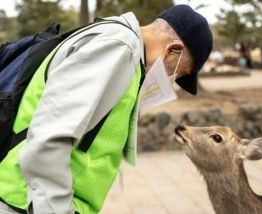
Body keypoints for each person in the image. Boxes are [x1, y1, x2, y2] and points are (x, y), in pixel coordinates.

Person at [0, 5, 212, 214]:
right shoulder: (118, 47)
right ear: (173, 50)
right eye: (180, 73)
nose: (172, 79)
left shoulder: (124, 51)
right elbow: (51, 136)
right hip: (24, 203)